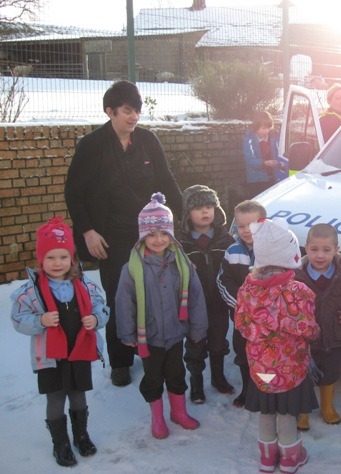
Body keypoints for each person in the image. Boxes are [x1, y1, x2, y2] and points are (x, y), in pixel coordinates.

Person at [64, 80, 183, 388]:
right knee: (120, 298)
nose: (134, 117)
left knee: (154, 295)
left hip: (150, 234)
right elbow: (74, 193)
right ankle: (120, 361)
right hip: (111, 237)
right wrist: (88, 231)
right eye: (127, 110)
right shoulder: (91, 146)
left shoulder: (148, 141)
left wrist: (181, 221)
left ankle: (152, 352)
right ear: (110, 111)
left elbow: (167, 181)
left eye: (137, 111)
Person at [10, 217, 109, 467]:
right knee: (56, 399)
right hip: (50, 357)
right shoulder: (32, 291)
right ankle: (60, 443)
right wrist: (40, 320)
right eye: (51, 257)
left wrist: (95, 319)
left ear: (72, 259)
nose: (57, 263)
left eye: (63, 257)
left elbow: (102, 307)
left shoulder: (84, 284)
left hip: (79, 350)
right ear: (41, 259)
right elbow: (18, 318)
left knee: (78, 396)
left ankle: (81, 435)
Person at [115, 193, 207, 439]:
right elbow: (124, 302)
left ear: (171, 235)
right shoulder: (133, 268)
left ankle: (179, 412)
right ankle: (157, 418)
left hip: (176, 333)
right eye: (152, 235)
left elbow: (196, 296)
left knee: (177, 374)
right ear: (142, 236)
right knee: (153, 378)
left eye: (164, 234)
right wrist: (127, 332)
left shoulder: (182, 264)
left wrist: (198, 328)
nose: (158, 240)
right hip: (150, 336)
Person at [235, 218, 320, 474]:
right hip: (289, 367)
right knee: (286, 412)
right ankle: (290, 457)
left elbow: (240, 322)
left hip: (260, 366)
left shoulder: (247, 289)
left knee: (266, 410)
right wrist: (315, 332)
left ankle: (267, 457)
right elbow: (306, 327)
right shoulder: (297, 291)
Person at [294, 223, 341, 430]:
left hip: (333, 336)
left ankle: (327, 406)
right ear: (306, 248)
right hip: (304, 339)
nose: (320, 255)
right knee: (303, 374)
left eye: (326, 250)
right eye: (314, 249)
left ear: (336, 249)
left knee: (330, 372)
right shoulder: (298, 274)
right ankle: (303, 410)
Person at [177, 185, 235, 403]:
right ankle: (196, 382)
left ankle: (218, 378)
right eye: (199, 207)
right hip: (194, 306)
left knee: (219, 341)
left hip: (219, 303)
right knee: (195, 344)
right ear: (187, 214)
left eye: (209, 207)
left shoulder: (226, 240)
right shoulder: (181, 244)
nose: (205, 212)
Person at [217, 199, 267, 408]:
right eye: (241, 225)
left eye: (252, 224)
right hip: (242, 320)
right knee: (243, 354)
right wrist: (241, 306)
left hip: (268, 321)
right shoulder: (232, 252)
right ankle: (247, 389)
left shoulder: (273, 250)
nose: (247, 230)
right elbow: (223, 281)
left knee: (267, 356)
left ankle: (265, 390)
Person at [243, 110, 288, 198]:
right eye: (263, 128)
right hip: (256, 181)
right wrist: (265, 163)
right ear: (256, 127)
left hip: (273, 178)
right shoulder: (248, 139)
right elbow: (250, 159)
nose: (267, 131)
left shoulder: (274, 137)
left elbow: (281, 152)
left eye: (269, 128)